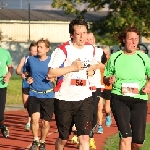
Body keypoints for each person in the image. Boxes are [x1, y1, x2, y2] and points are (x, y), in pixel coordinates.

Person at [47, 19, 98, 150]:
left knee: (84, 137)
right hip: (64, 98)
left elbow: (92, 65)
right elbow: (51, 73)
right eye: (78, 33)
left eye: (85, 33)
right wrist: (71, 68)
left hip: (84, 98)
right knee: (63, 139)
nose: (82, 37)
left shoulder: (91, 49)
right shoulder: (63, 50)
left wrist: (92, 69)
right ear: (71, 35)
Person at [104, 26, 150, 150]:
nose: (134, 42)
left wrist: (148, 85)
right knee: (125, 138)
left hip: (139, 99)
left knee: (138, 141)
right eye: (131, 39)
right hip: (119, 98)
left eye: (136, 39)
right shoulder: (115, 57)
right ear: (124, 40)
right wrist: (109, 79)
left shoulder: (143, 58)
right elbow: (106, 77)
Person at [26, 38, 54, 150]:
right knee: (34, 118)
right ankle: (35, 140)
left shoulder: (52, 61)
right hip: (34, 93)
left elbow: (59, 75)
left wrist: (53, 78)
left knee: (46, 123)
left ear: (47, 49)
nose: (38, 49)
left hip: (48, 95)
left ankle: (43, 141)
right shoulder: (31, 60)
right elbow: (26, 71)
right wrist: (28, 78)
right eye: (38, 46)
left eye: (41, 47)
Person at [16, 42, 37, 131]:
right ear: (29, 50)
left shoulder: (39, 60)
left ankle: (29, 122)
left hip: (35, 84)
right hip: (25, 83)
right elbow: (17, 70)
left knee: (32, 103)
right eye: (32, 51)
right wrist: (22, 73)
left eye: (36, 51)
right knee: (26, 103)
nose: (34, 52)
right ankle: (31, 118)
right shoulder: (25, 58)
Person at [0, 34, 14, 138]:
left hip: (1, 85)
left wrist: (9, 75)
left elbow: (10, 67)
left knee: (0, 114)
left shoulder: (5, 53)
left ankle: (2, 125)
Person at [97, 45, 112, 134]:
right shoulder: (97, 61)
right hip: (99, 86)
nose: (104, 56)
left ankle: (108, 114)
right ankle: (99, 126)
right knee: (99, 106)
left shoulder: (110, 61)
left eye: (105, 54)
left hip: (108, 87)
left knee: (107, 108)